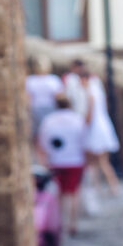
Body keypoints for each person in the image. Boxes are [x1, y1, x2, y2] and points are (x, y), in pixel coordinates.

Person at [37, 94, 87, 236]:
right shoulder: (78, 119)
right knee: (73, 193)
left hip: (56, 161)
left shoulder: (49, 121)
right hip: (75, 161)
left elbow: (43, 143)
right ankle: (73, 223)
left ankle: (60, 222)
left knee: (59, 193)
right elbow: (84, 140)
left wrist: (45, 161)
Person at [68, 70, 120, 195]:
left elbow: (90, 115)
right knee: (99, 161)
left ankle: (108, 187)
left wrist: (81, 125)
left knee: (98, 161)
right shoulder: (96, 90)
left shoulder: (90, 92)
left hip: (95, 130)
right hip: (100, 127)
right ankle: (104, 187)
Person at [26, 55, 64, 143]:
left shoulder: (30, 80)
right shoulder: (53, 80)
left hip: (38, 109)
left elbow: (28, 97)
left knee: (40, 132)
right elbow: (59, 96)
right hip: (46, 108)